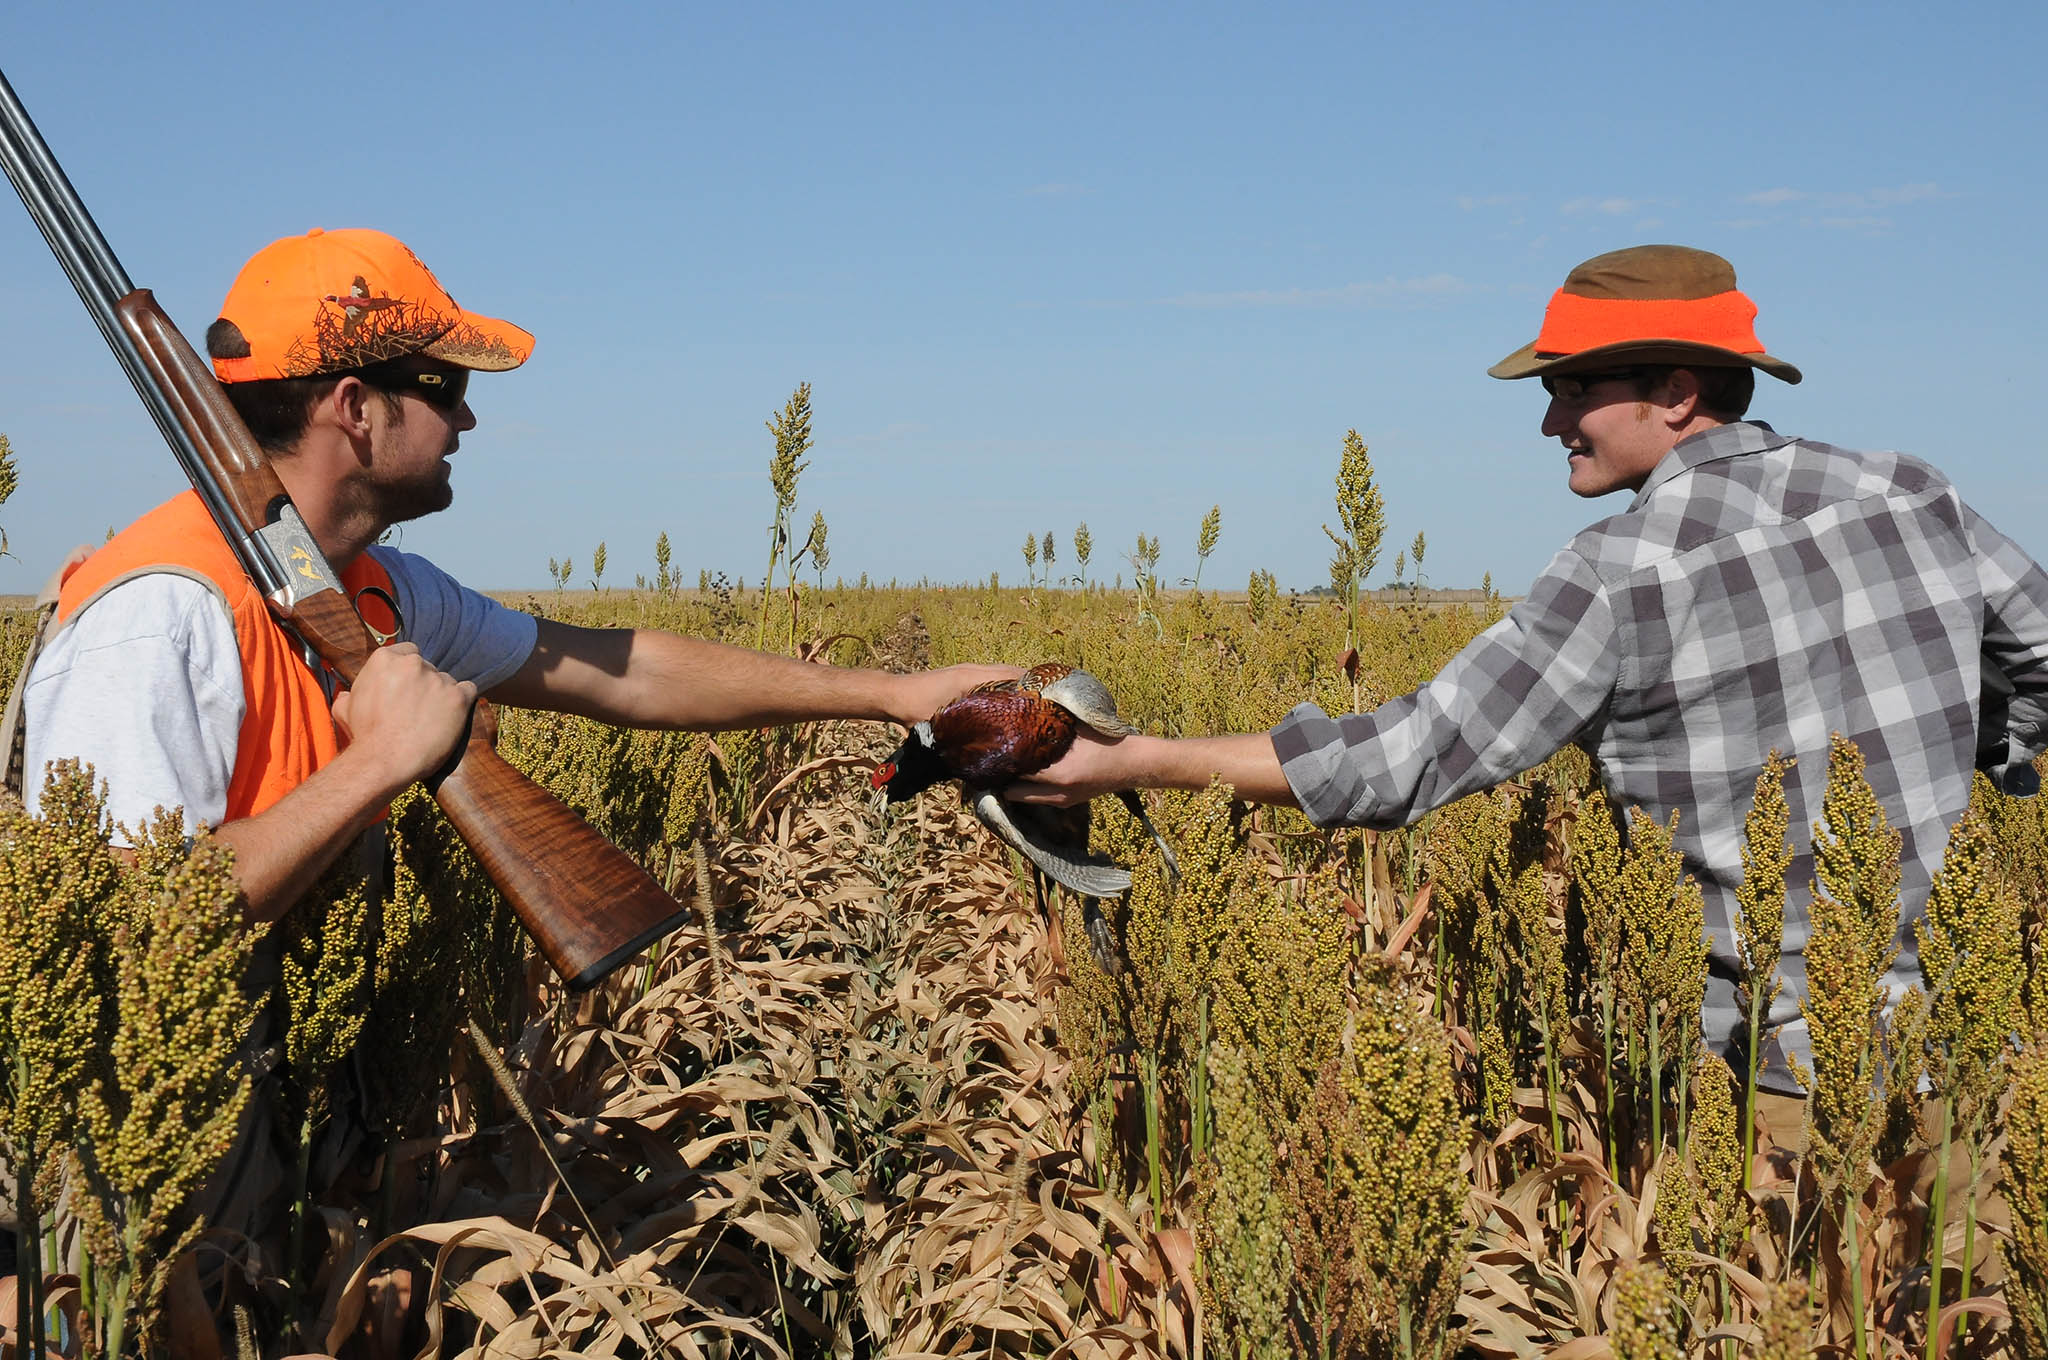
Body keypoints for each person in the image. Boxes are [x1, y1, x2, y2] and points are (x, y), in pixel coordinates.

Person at [1011, 243, 2048, 1097]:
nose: (1550, 421)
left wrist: (1126, 759)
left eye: (1568, 388)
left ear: (1676, 390)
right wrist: (1970, 750)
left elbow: (1402, 759)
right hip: (1969, 1051)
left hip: (1772, 1083)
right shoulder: (1911, 494)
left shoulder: (1617, 574)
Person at [23, 226, 1006, 922]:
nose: (468, 421)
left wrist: (888, 691)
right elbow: (127, 927)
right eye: (442, 388)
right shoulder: (158, 612)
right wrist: (378, 763)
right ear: (355, 409)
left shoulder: (370, 592)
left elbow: (618, 668)